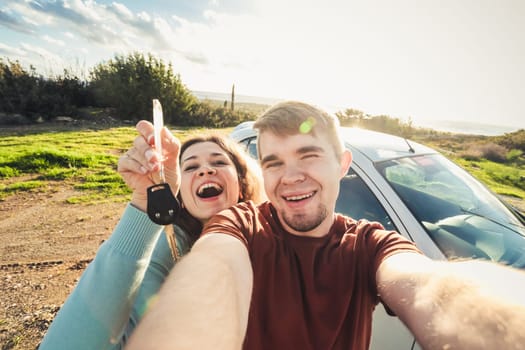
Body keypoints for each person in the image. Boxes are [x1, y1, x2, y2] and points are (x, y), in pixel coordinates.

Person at [127, 101, 525, 350]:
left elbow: (432, 287)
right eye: (274, 162)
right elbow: (212, 271)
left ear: (343, 165)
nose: (291, 176)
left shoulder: (371, 244)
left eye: (308, 156)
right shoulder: (241, 224)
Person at [39, 120, 265, 349]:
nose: (206, 170)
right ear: (181, 198)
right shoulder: (166, 248)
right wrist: (143, 207)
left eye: (218, 162)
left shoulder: (270, 238)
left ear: (242, 183)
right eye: (190, 167)